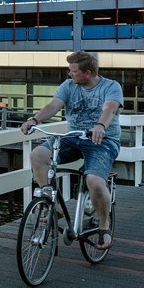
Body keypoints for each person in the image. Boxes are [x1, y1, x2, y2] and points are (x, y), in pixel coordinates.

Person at [20, 51, 122, 251]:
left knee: (94, 181)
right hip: (73, 138)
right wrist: (34, 120)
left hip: (102, 141)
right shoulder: (68, 86)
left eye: (74, 71)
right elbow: (53, 106)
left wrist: (100, 126)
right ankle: (51, 202)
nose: (70, 74)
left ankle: (104, 226)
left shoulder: (111, 86)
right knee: (37, 155)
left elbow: (110, 109)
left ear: (88, 73)